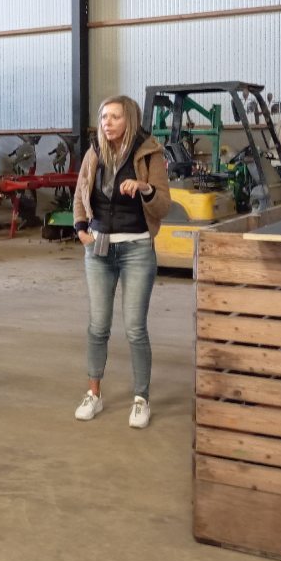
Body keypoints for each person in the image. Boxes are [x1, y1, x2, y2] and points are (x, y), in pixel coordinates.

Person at [72, 95, 172, 430]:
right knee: (98, 326)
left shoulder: (149, 153)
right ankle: (93, 393)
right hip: (98, 249)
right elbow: (80, 193)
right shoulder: (94, 152)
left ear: (129, 119)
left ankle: (141, 399)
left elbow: (163, 206)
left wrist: (145, 188)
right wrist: (81, 229)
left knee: (134, 328)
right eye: (103, 117)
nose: (107, 123)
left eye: (114, 117)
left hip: (137, 249)